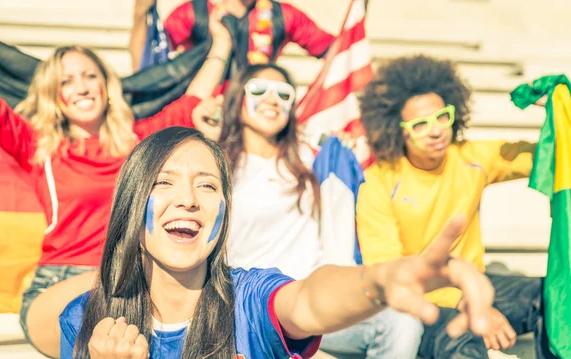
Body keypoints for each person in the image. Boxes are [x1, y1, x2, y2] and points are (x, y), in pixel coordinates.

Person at [59, 126, 495, 359]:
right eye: (163, 182)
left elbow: (308, 299)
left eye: (208, 186)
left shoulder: (249, 298)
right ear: (132, 203)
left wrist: (380, 282)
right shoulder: (84, 321)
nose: (188, 200)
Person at [0, 10, 231, 358]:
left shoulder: (138, 143)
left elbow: (192, 102)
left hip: (130, 285)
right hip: (60, 283)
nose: (80, 86)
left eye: (89, 75)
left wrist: (223, 45)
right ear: (53, 95)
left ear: (105, 86)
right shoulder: (37, 144)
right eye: (66, 81)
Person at [184, 62, 422, 358]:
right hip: (259, 307)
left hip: (320, 300)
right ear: (237, 99)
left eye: (284, 94)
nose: (272, 100)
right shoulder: (216, 165)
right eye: (259, 90)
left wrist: (341, 149)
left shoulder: (313, 159)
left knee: (402, 320)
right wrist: (204, 132)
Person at [357, 54, 556, 359]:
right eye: (420, 125)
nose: (435, 131)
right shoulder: (378, 182)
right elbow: (392, 276)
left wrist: (558, 109)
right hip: (417, 302)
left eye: (442, 117)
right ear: (399, 130)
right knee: (460, 338)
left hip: (475, 285)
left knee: (559, 300)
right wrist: (467, 301)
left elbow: (551, 157)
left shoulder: (472, 158)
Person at [129, 0, 335, 71]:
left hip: (256, 118)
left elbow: (338, 52)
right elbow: (147, 61)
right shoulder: (194, 12)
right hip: (204, 116)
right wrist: (140, 15)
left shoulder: (284, 15)